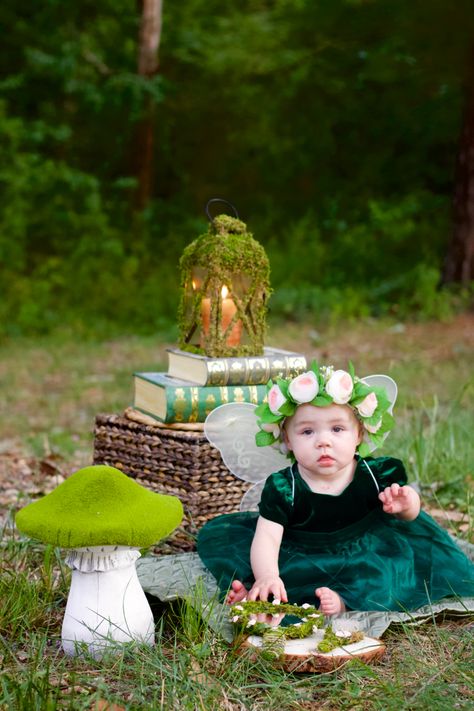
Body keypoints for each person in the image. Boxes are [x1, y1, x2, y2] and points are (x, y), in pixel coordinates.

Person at [197, 364, 474, 615]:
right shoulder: (285, 487)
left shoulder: (376, 474)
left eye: (337, 429)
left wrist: (407, 504)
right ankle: (257, 593)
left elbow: (409, 514)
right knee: (276, 573)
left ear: (359, 435)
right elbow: (268, 538)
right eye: (307, 432)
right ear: (287, 441)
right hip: (304, 550)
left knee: (390, 574)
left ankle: (344, 602)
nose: (323, 442)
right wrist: (267, 574)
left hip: (368, 547)